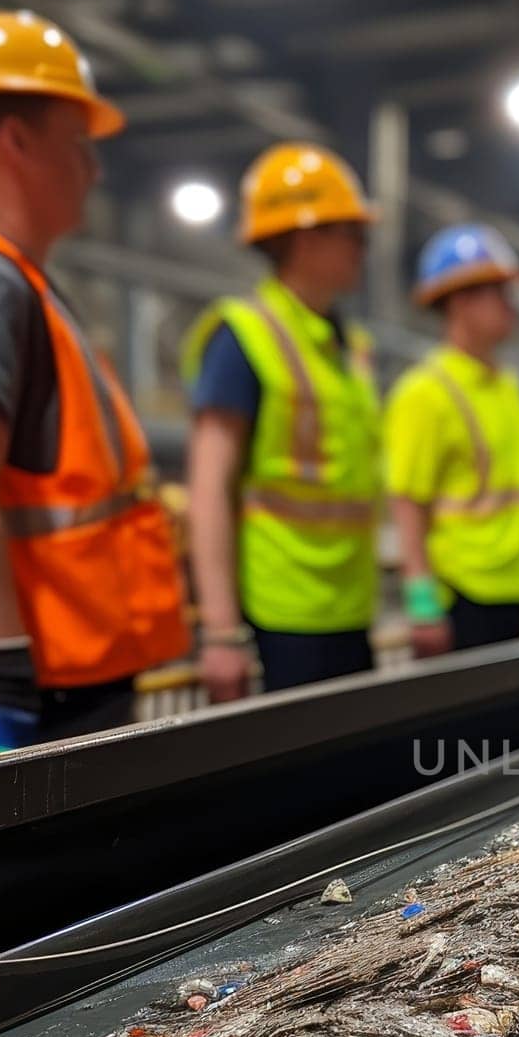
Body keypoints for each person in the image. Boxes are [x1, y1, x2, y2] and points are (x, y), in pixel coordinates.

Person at [0, 11, 188, 759]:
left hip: (55, 666)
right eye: (78, 145)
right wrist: (4, 679)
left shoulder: (17, 282)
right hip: (29, 682)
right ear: (15, 141)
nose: (95, 169)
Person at [181, 145, 382, 699]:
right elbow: (209, 488)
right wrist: (221, 632)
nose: (361, 248)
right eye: (350, 233)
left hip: (350, 605)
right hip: (281, 615)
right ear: (305, 236)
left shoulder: (350, 347)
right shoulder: (243, 336)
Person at [385, 223, 519, 656]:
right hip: (462, 596)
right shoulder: (425, 392)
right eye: (499, 292)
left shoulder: (508, 386)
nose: (511, 305)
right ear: (458, 300)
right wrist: (423, 608)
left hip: (517, 589)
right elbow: (408, 506)